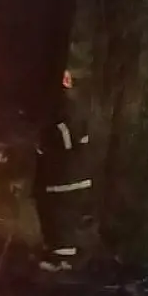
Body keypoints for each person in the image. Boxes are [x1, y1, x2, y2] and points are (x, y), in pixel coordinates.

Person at [33, 70, 93, 272]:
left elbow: (64, 141)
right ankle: (59, 256)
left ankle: (60, 262)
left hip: (63, 177)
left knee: (59, 217)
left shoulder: (60, 109)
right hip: (71, 176)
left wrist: (43, 146)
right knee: (61, 218)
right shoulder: (74, 107)